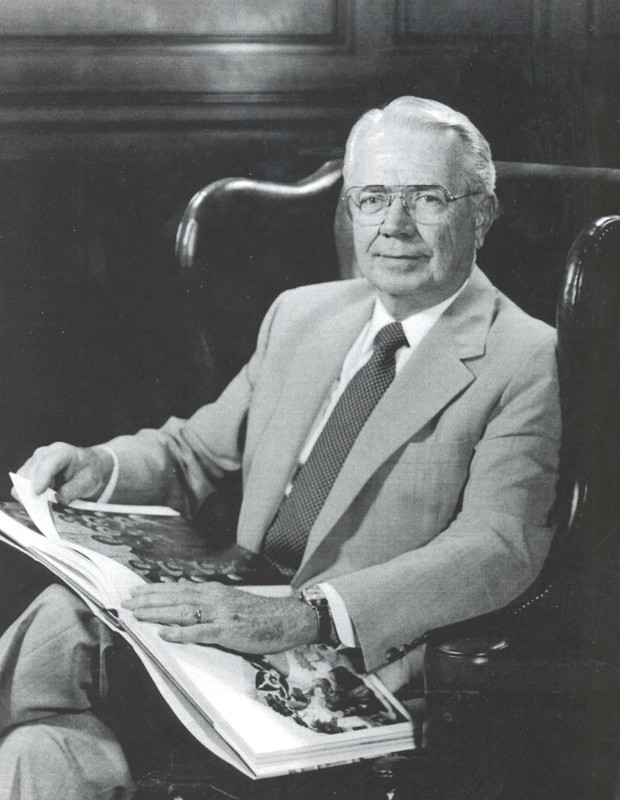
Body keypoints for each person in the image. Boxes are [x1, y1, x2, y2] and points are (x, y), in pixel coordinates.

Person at [0, 96, 560, 798]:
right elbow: (193, 455)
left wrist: (307, 614)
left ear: (480, 213)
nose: (394, 226)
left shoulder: (530, 357)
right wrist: (99, 466)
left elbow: (498, 546)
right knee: (37, 741)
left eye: (426, 198)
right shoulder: (303, 315)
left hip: (344, 662)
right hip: (222, 620)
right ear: (350, 212)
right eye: (373, 198)